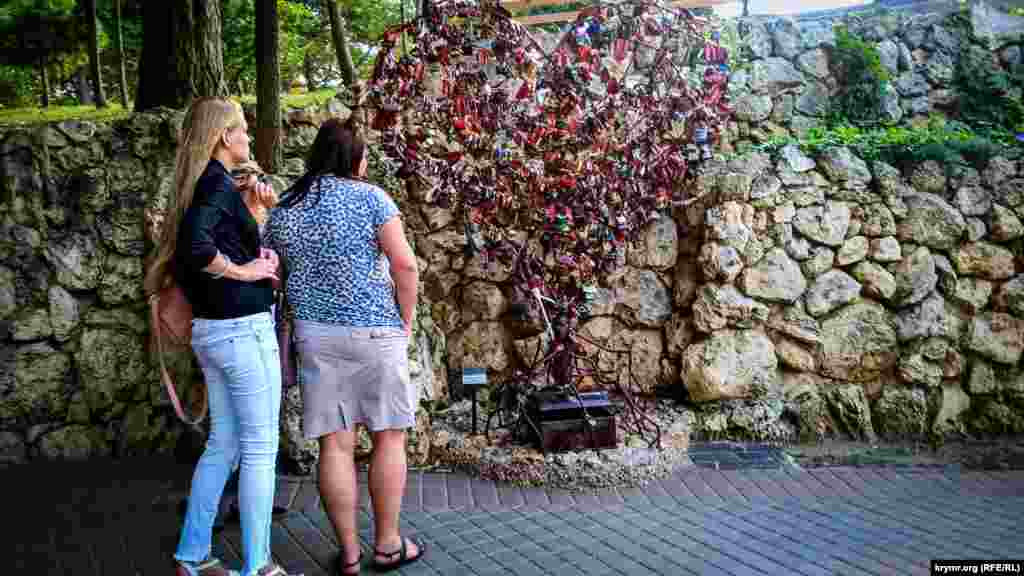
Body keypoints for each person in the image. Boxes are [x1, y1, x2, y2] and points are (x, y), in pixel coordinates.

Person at [144, 96, 297, 576]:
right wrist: (246, 272)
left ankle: (192, 557)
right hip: (242, 333)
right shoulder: (213, 185)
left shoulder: (201, 185)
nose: (248, 136)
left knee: (225, 445)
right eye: (243, 129)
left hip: (215, 333)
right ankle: (259, 566)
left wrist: (255, 244)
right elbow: (197, 247)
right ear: (225, 136)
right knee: (258, 447)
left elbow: (209, 244)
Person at [264, 117, 424, 575]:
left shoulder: (286, 209)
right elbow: (405, 267)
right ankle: (389, 545)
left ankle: (350, 554)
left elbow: (272, 272)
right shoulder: (373, 198)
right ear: (355, 159)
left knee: (334, 446)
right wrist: (404, 325)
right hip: (377, 333)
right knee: (388, 437)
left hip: (316, 336)